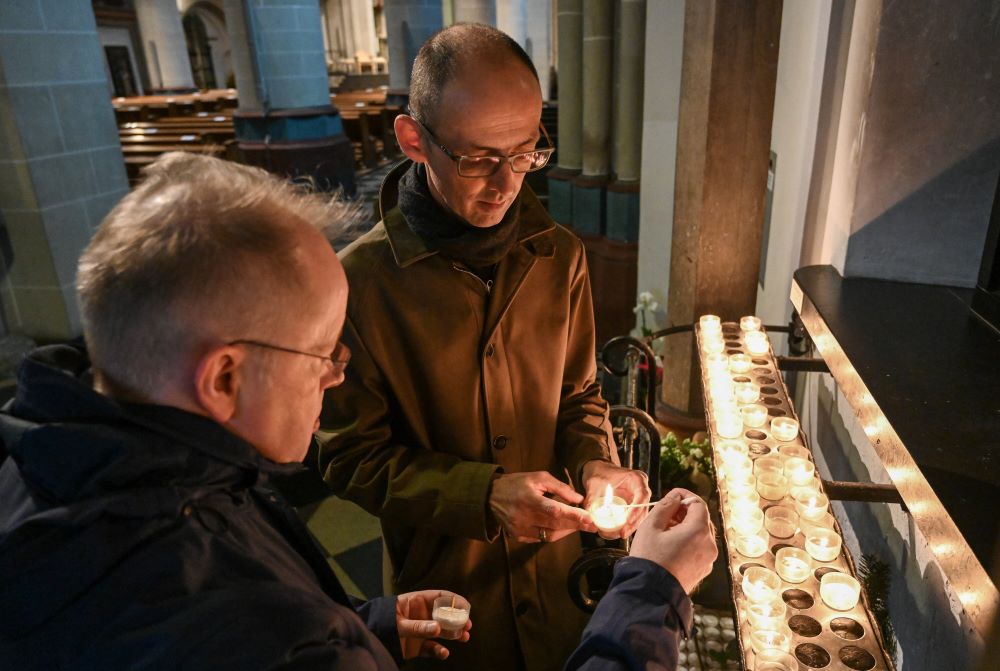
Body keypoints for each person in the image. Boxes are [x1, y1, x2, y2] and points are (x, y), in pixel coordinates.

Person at [0, 153, 471, 669]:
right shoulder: (262, 636)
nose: (337, 374)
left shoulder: (49, 454)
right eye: (322, 351)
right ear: (224, 378)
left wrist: (363, 628)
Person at [319, 23, 653, 670]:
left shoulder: (561, 257)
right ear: (414, 139)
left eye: (526, 152)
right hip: (448, 603)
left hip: (558, 581)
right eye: (477, 159)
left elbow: (579, 396)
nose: (506, 185)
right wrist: (482, 494)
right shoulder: (358, 285)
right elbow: (348, 459)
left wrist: (596, 464)